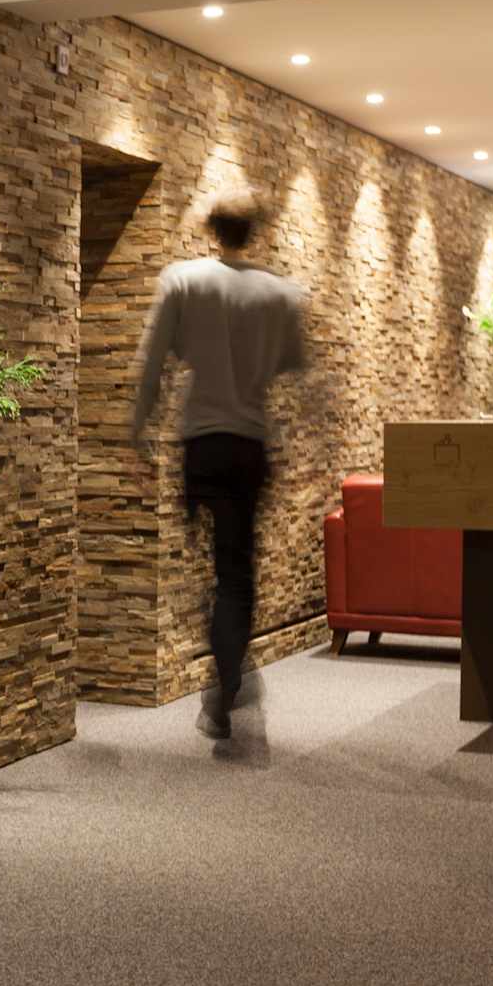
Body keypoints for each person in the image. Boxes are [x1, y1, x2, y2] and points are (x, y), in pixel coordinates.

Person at [129, 184, 307, 740]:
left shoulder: (182, 281)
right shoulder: (280, 294)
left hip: (200, 445)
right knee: (235, 570)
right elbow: (297, 370)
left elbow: (152, 364)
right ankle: (228, 671)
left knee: (203, 566)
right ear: (254, 232)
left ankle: (227, 663)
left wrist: (137, 433)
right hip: (248, 445)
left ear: (211, 230)